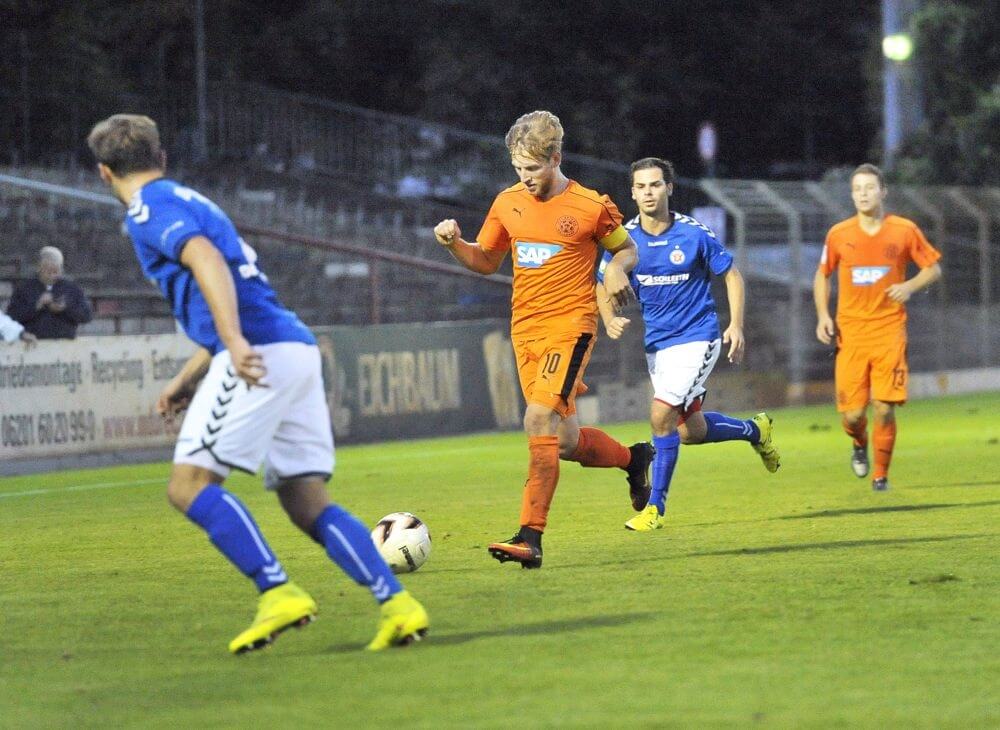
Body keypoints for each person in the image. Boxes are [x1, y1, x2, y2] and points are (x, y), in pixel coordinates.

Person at [87, 114, 427, 653]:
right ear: (163, 157)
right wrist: (188, 377)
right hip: (292, 346)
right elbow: (230, 282)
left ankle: (278, 591)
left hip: (257, 351)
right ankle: (399, 605)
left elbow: (206, 264)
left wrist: (233, 344)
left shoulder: (148, 210)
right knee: (306, 500)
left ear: (105, 174)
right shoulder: (193, 200)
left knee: (190, 486)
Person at [433, 110, 652, 569]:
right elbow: (487, 261)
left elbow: (626, 248)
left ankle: (530, 538)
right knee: (566, 442)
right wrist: (455, 243)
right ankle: (634, 459)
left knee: (537, 420)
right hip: (524, 333)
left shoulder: (590, 206)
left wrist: (614, 269)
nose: (525, 178)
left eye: (532, 169)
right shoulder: (506, 203)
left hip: (570, 328)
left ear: (556, 157)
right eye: (518, 169)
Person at [597, 158, 780, 531]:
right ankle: (755, 430)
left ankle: (655, 509)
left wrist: (737, 325)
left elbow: (732, 275)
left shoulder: (694, 234)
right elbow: (603, 281)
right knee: (687, 431)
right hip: (658, 347)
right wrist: (609, 317)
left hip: (699, 338)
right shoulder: (624, 239)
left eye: (656, 185)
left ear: (669, 188)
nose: (649, 192)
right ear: (632, 193)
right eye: (641, 187)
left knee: (660, 416)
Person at [814, 163, 942, 491]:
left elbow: (933, 269)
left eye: (869, 188)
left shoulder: (903, 230)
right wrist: (823, 316)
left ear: (882, 191)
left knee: (884, 408)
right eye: (857, 189)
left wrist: (909, 286)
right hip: (851, 335)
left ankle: (880, 476)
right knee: (854, 415)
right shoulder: (839, 234)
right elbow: (823, 274)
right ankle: (859, 444)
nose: (863, 194)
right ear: (852, 194)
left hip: (889, 331)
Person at [6, 246, 92, 339]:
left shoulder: (71, 288)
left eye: (55, 271)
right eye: (48, 271)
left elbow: (86, 316)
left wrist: (65, 309)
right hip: (32, 344)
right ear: (39, 267)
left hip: (65, 344)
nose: (52, 275)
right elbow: (11, 318)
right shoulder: (24, 288)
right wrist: (37, 305)